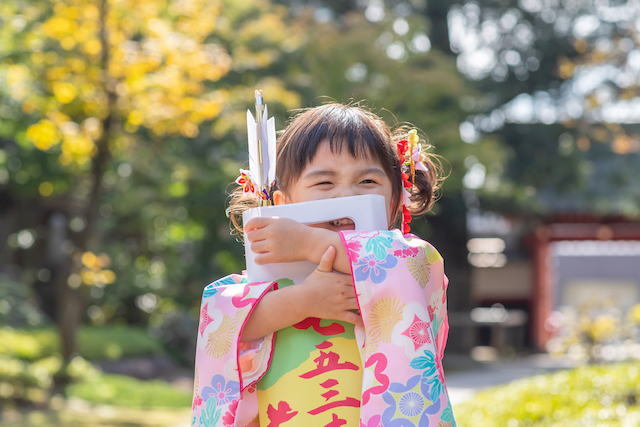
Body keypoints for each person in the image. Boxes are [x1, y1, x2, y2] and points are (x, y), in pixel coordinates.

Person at [191, 103, 456, 427]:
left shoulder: (406, 262)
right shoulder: (265, 283)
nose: (345, 195)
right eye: (325, 183)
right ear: (283, 203)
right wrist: (304, 300)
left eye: (368, 182)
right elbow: (224, 329)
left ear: (395, 199)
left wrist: (308, 242)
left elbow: (393, 273)